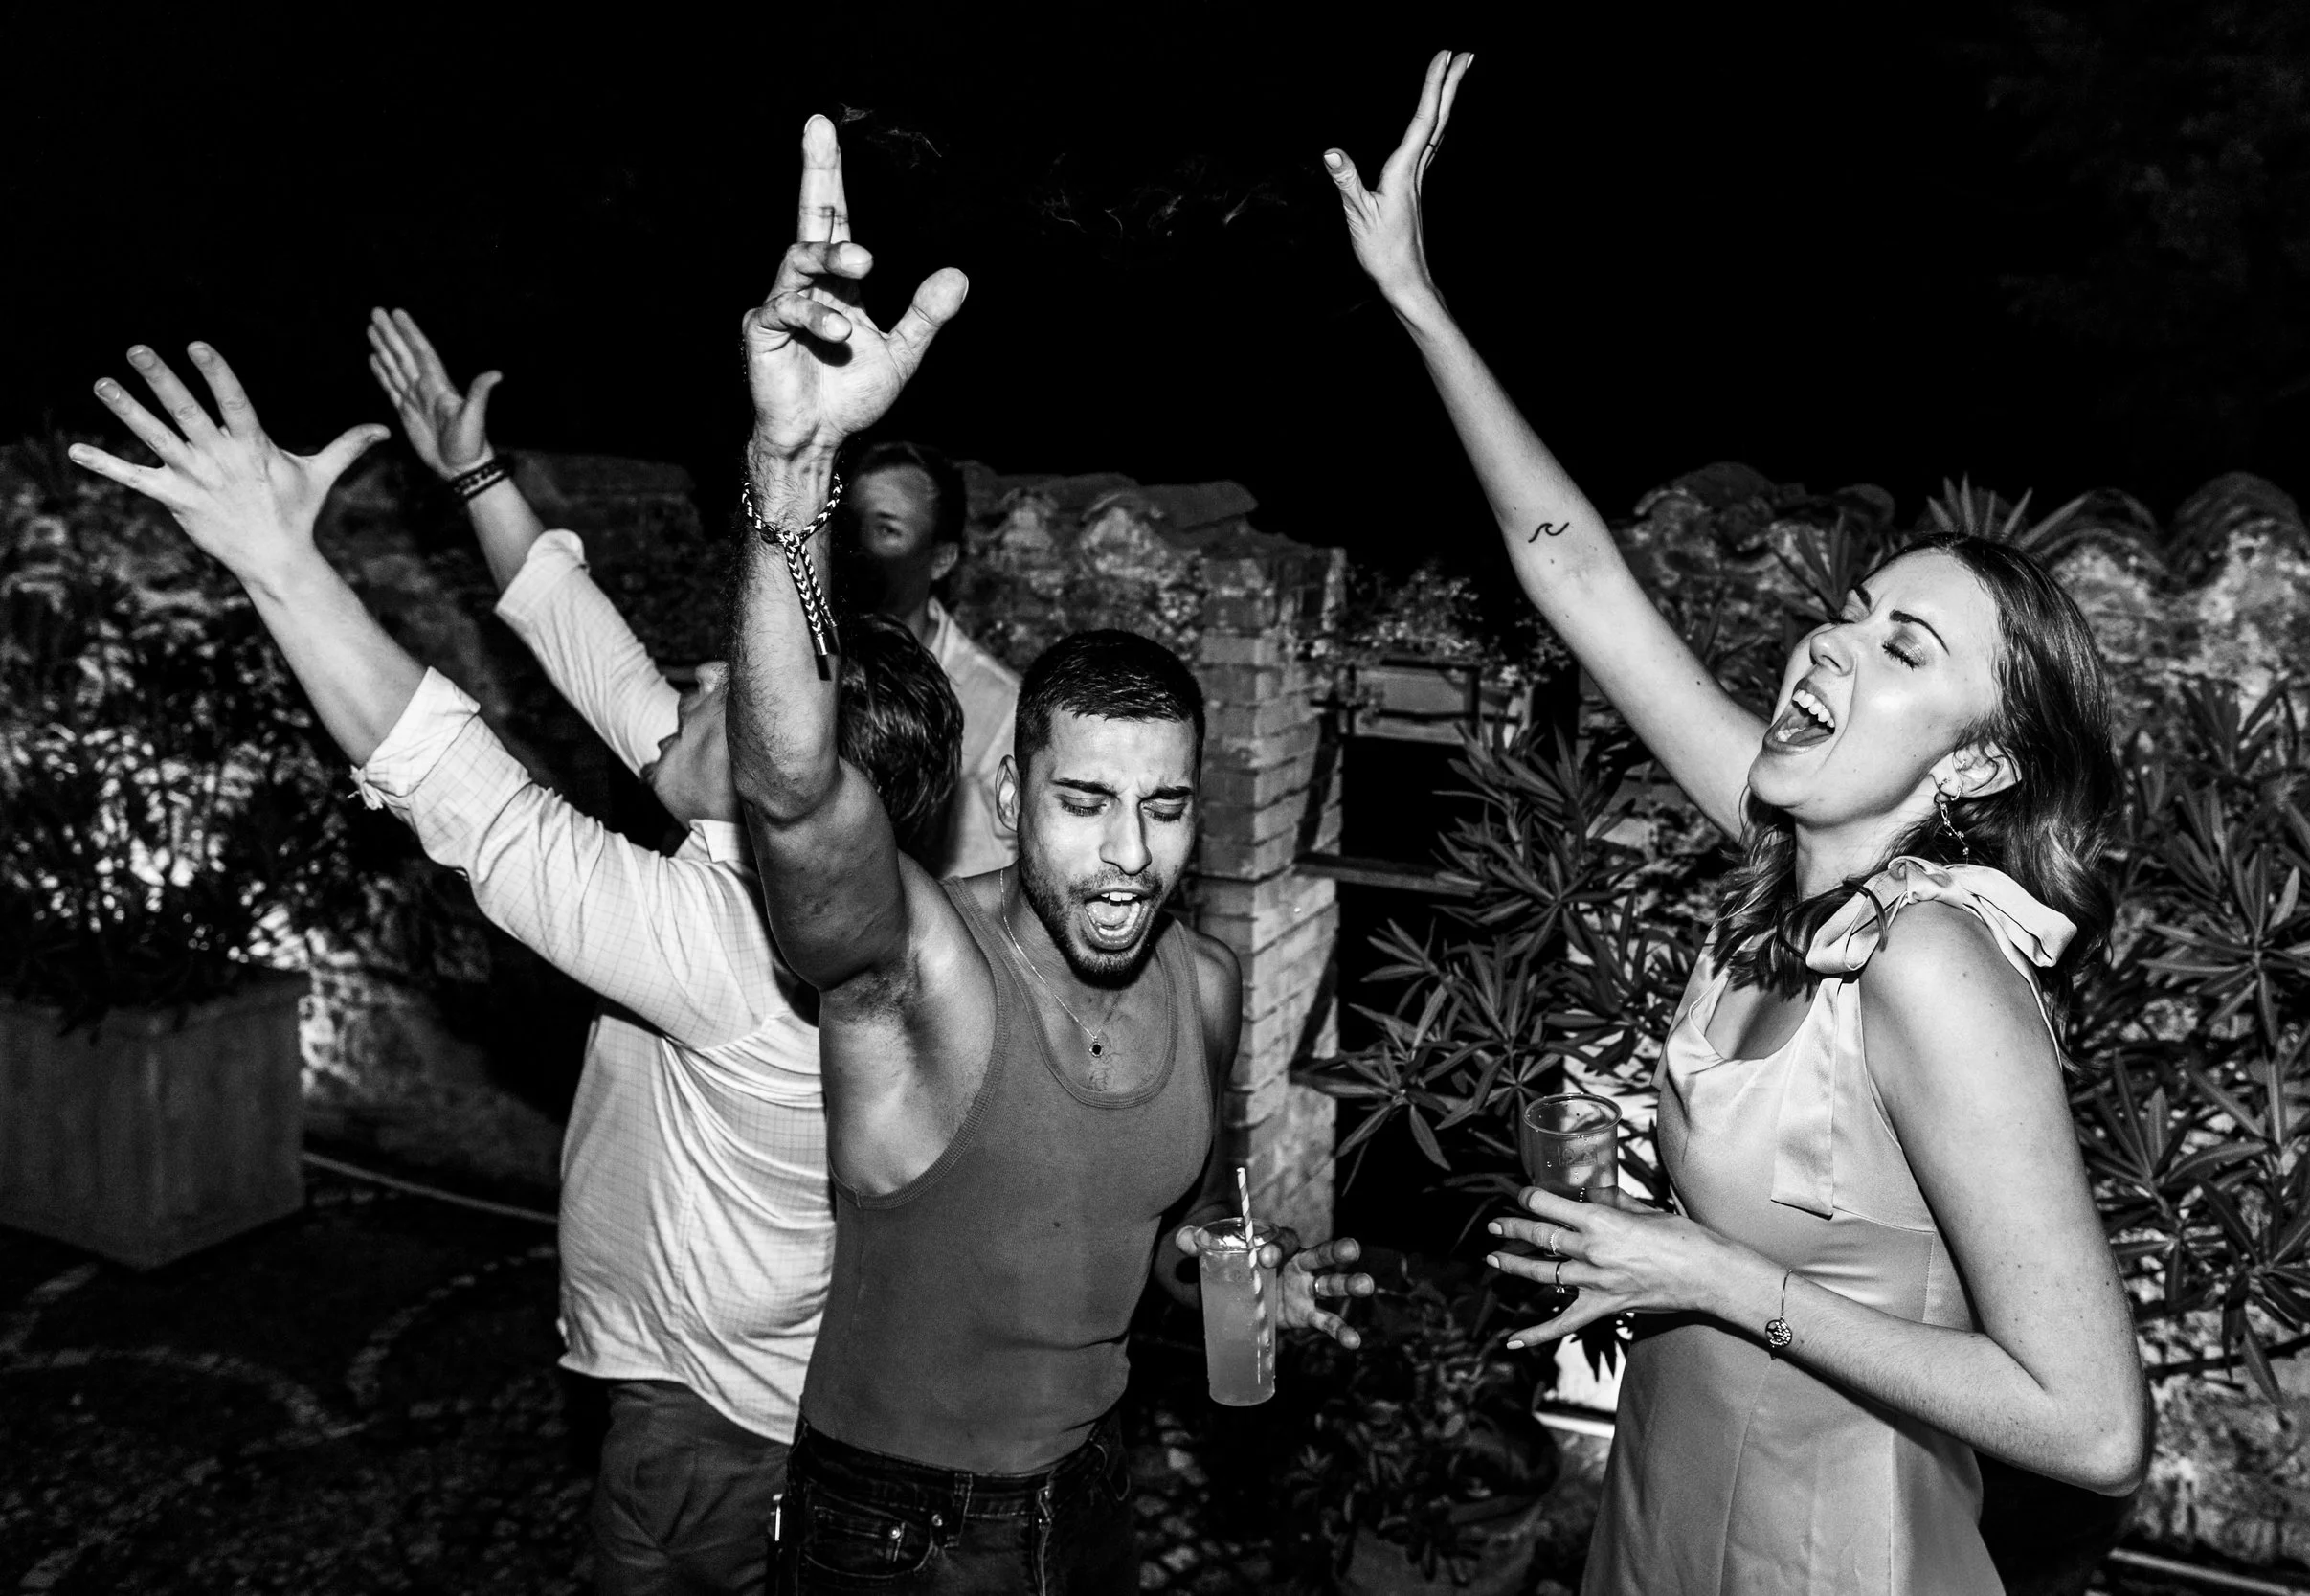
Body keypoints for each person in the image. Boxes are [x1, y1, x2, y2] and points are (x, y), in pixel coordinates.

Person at [1326, 53, 2150, 1596]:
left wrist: (1715, 1274)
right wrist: (1420, 301)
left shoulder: (1936, 969)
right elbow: (1573, 571)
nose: (1831, 644)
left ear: (1973, 770)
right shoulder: (1792, 857)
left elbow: (2096, 1426)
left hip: (1835, 1550)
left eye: (1906, 650)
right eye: (1847, 613)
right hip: (1662, 1504)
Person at [74, 336, 963, 1596]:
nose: (699, 680)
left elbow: (475, 799)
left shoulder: (732, 955)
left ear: (791, 787)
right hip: (794, 1386)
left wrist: (276, 558)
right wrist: (477, 472)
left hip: (713, 1427)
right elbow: (596, 658)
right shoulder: (839, 890)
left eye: (730, 695)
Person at [724, 114, 1375, 1596]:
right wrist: (790, 466)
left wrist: (1248, 1279)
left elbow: (1146, 1246)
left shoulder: (1206, 989)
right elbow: (790, 790)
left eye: (1163, 806)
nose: (1130, 852)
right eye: (1085, 801)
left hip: (1089, 1503)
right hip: (896, 1532)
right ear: (1013, 801)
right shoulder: (918, 970)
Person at [838, 438, 1022, 878]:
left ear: (940, 559)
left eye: (885, 530)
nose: (858, 547)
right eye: (850, 525)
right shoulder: (807, 665)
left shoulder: (996, 706)